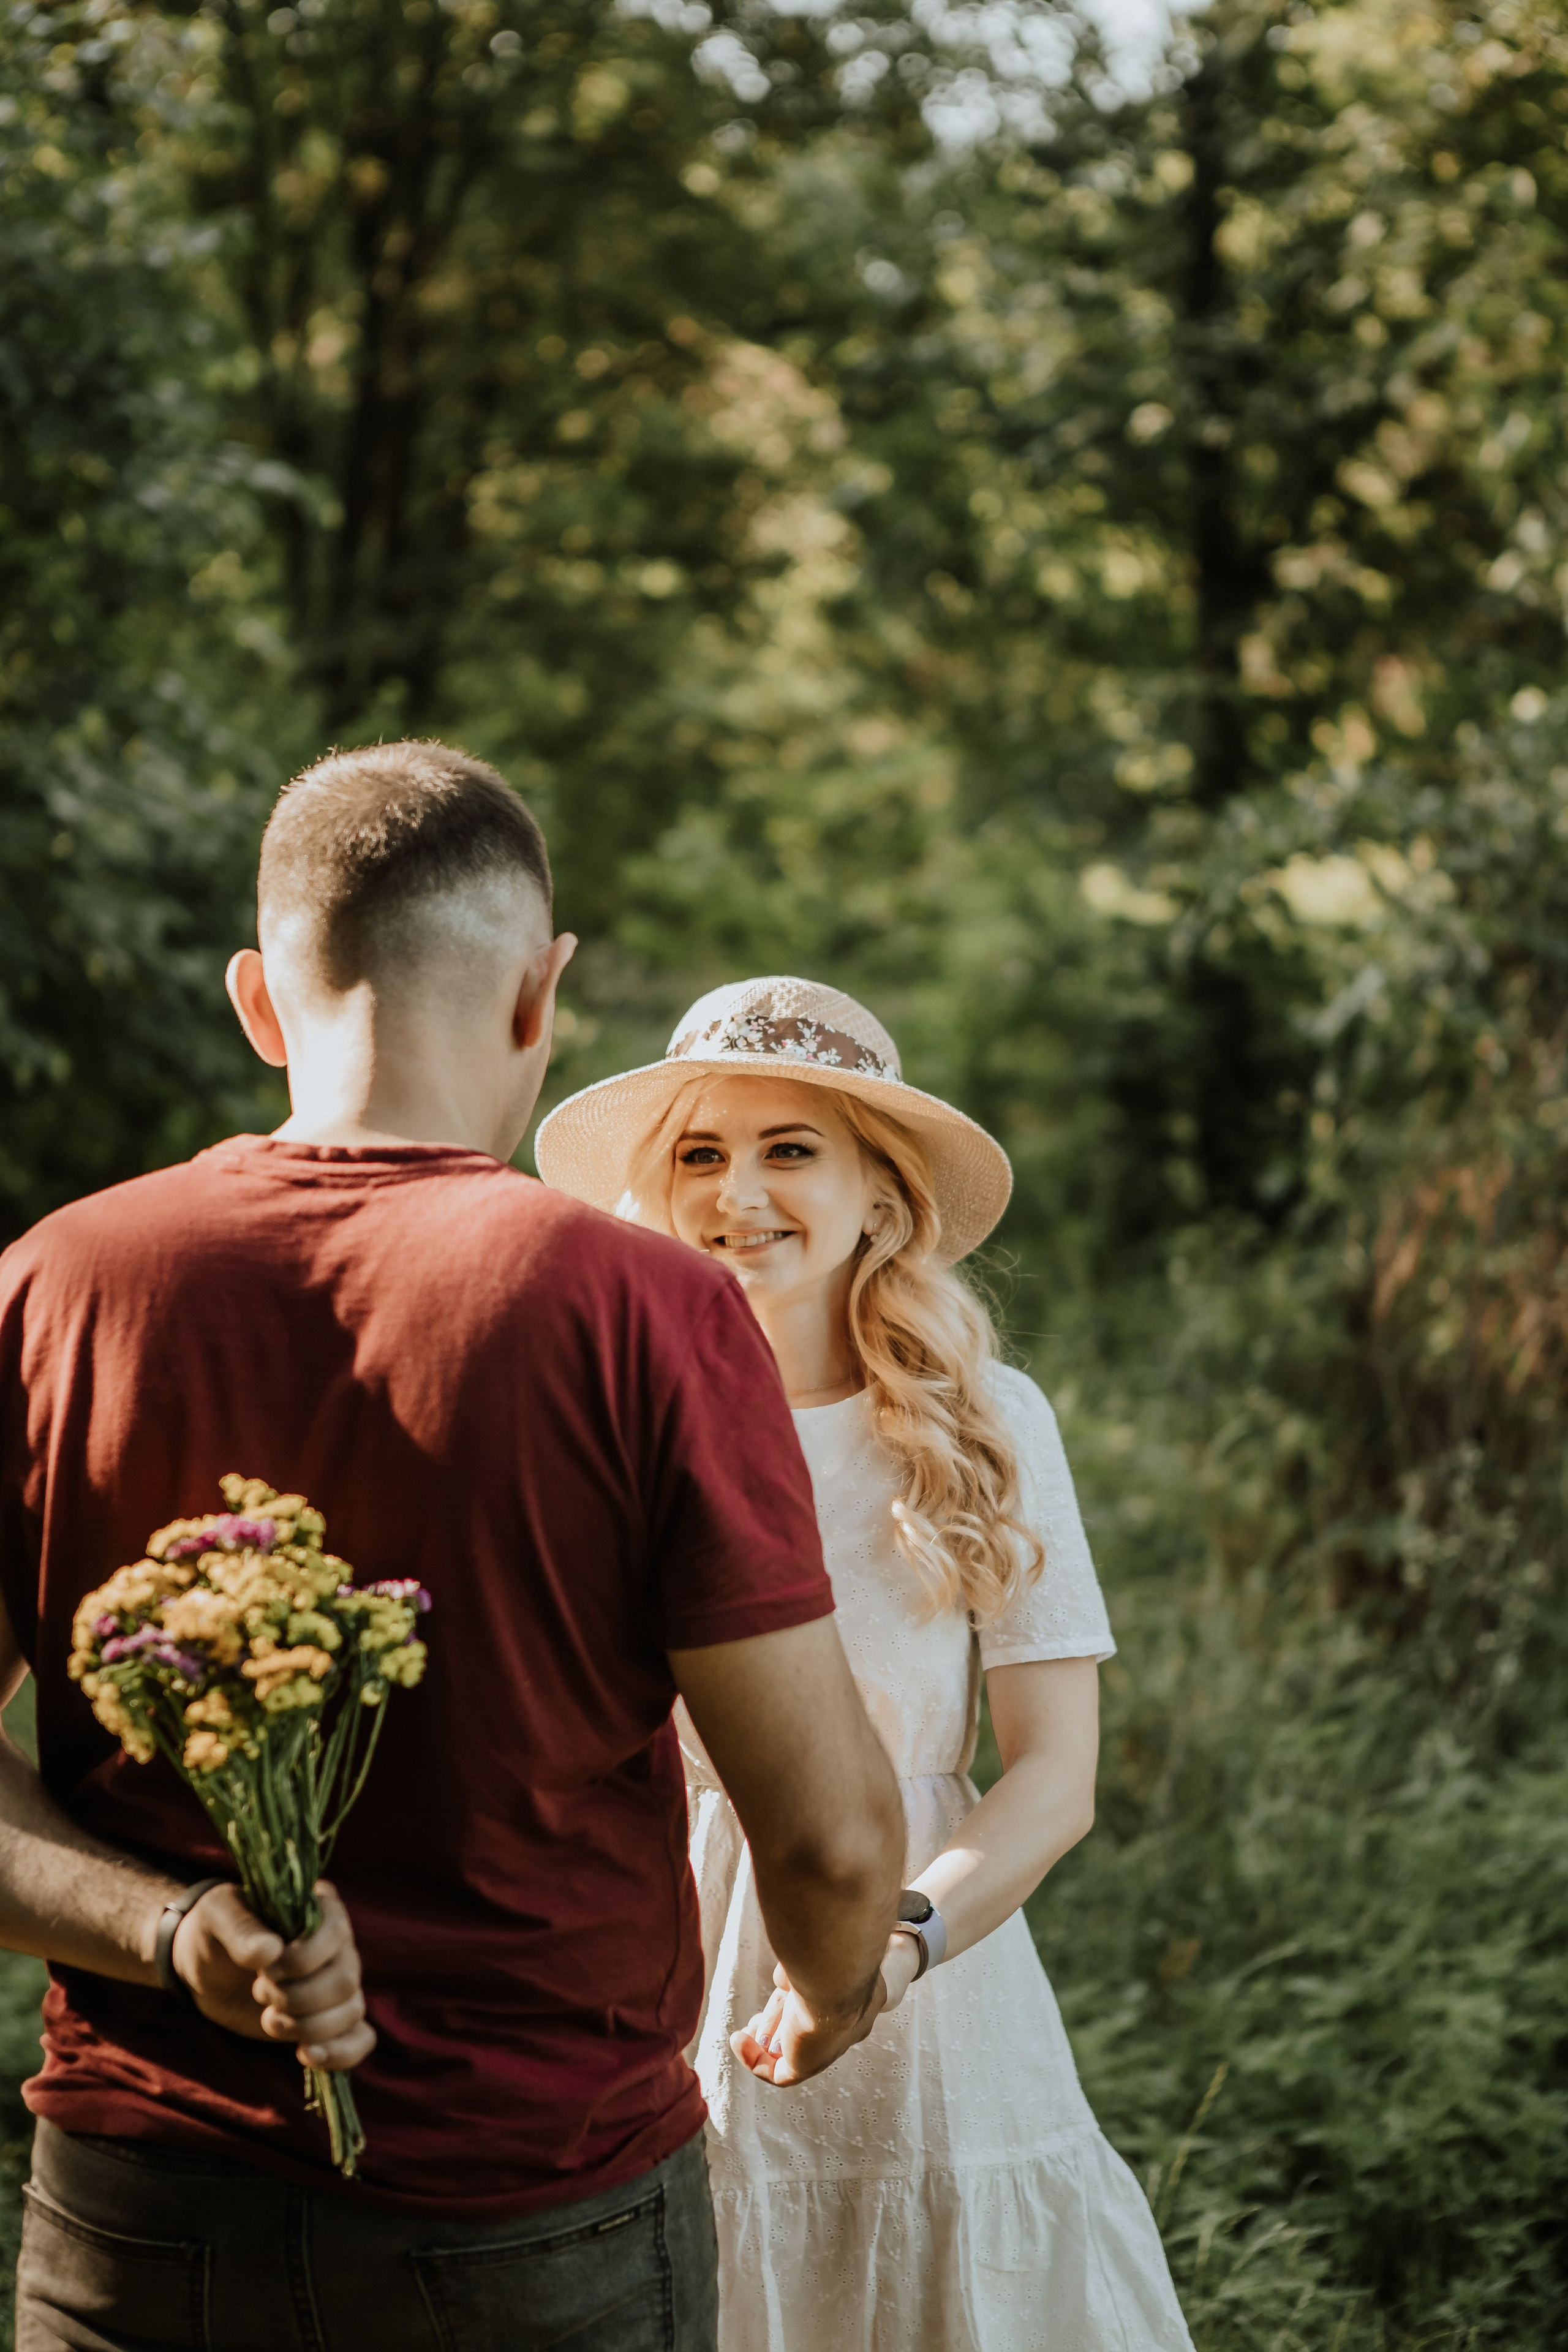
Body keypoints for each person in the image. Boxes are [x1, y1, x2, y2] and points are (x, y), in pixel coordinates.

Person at [0, 752, 905, 2352]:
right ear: (540, 996)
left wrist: (169, 1929)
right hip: (531, 2217)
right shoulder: (644, 1312)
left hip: (139, 2217)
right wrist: (834, 1990)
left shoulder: (54, 1287)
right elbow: (828, 1843)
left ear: (257, 1005)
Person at [535, 975, 1194, 2352]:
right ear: (656, 1191)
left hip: (929, 1982)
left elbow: (1054, 1777)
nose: (740, 1193)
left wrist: (886, 1954)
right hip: (649, 1964)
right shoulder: (600, 1412)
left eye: (790, 1151)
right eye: (702, 1155)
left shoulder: (985, 1423)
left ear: (877, 1195)